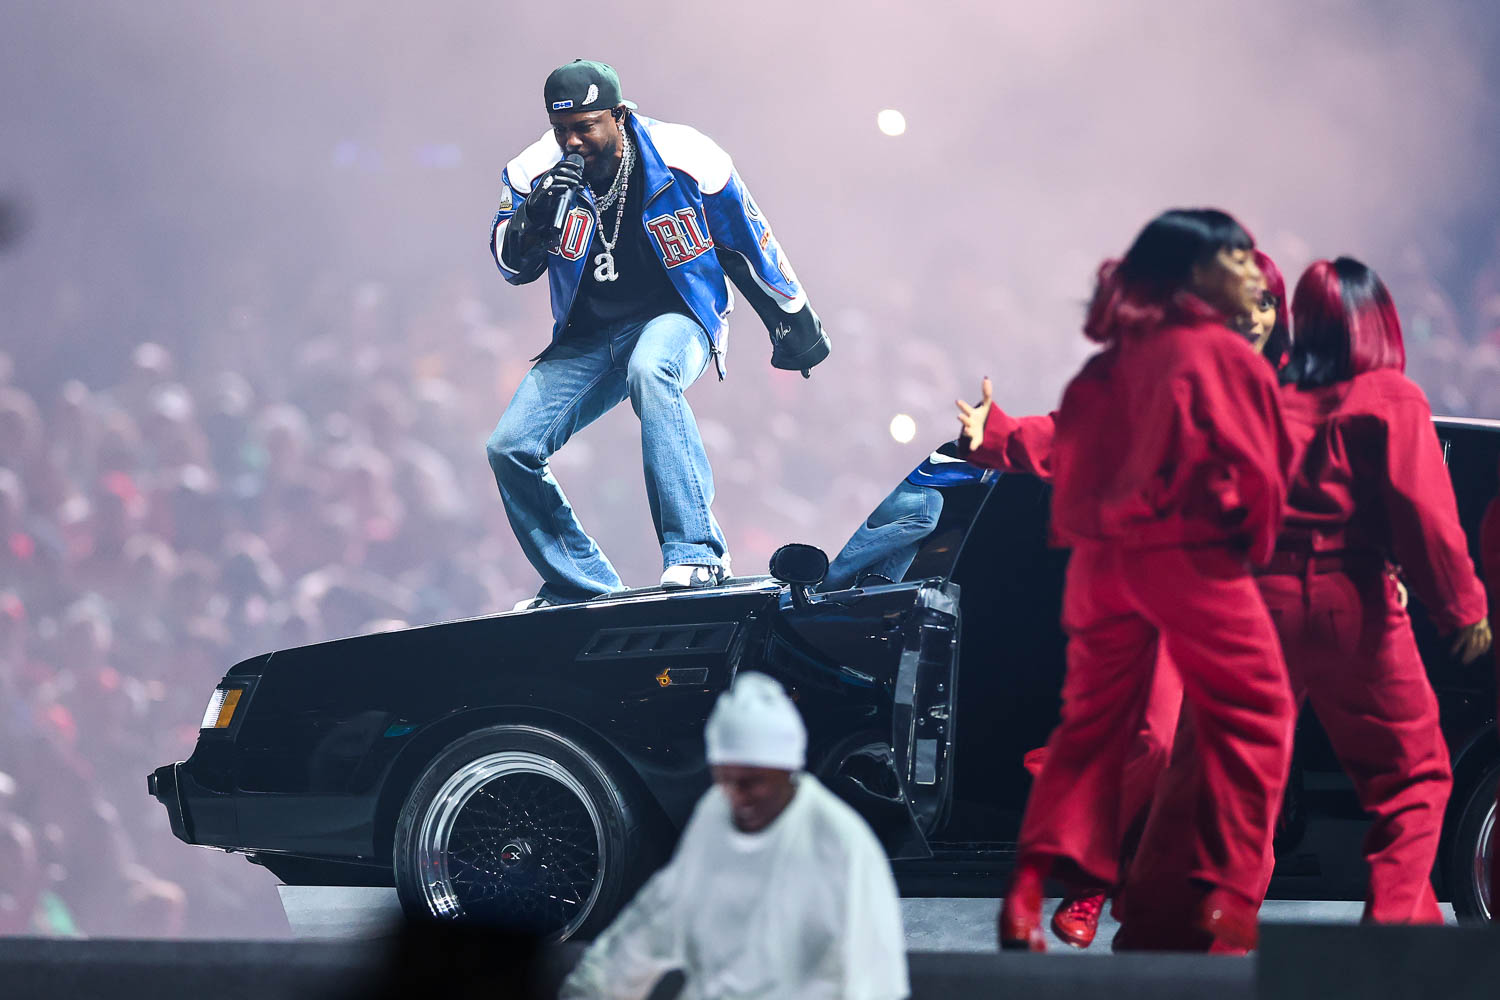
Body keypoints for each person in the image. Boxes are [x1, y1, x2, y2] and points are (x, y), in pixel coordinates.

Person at [981, 209, 1295, 953]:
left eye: (1265, 305)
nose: (1251, 316)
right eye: (1239, 302)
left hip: (1262, 610)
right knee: (1151, 745)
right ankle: (1093, 879)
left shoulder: (1294, 395)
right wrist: (997, 435)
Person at [487, 61, 829, 608]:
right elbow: (510, 265)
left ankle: (697, 553)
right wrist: (532, 220)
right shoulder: (533, 171)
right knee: (509, 446)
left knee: (652, 369)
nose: (574, 141)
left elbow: (747, 240)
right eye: (562, 129)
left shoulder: (687, 155)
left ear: (620, 116)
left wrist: (794, 318)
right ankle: (580, 582)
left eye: (587, 126)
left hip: (678, 314)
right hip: (590, 334)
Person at [1239, 257, 1492, 923]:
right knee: (1412, 779)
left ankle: (1211, 945)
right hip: (1352, 600)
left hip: (1260, 607)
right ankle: (1394, 938)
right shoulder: (1387, 396)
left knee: (1244, 790)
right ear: (1377, 321)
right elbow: (1426, 519)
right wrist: (1462, 609)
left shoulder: (1267, 400)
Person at [560, 672, 908, 1000]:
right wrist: (592, 989)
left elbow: (873, 979)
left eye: (750, 782)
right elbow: (659, 917)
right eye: (723, 779)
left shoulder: (839, 845)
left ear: (788, 771)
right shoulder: (718, 815)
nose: (734, 795)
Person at [821, 442, 994, 592]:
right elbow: (929, 465)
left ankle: (869, 588)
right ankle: (835, 570)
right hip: (898, 489)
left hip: (916, 526)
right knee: (925, 515)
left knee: (881, 580)